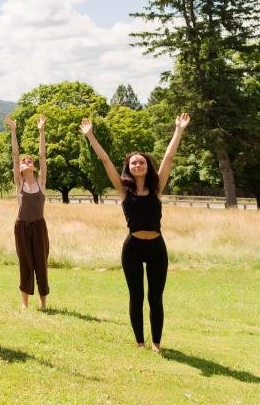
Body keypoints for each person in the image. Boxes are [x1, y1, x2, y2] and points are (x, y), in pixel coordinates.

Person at [81, 112, 190, 351]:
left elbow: (169, 158)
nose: (137, 164)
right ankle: (140, 343)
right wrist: (90, 136)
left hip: (156, 248)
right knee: (136, 296)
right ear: (129, 168)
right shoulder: (123, 189)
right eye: (133, 163)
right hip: (132, 248)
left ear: (146, 166)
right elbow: (106, 161)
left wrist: (178, 130)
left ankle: (157, 344)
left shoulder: (157, 187)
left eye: (141, 162)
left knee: (155, 298)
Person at [5, 113, 49, 309]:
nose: (27, 161)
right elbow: (15, 156)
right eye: (24, 161)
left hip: (39, 226)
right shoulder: (19, 182)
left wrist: (42, 131)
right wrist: (13, 131)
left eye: (29, 160)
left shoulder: (41, 182)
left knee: (41, 262)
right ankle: (25, 304)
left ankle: (43, 302)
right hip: (22, 226)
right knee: (25, 263)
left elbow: (42, 156)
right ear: (21, 168)